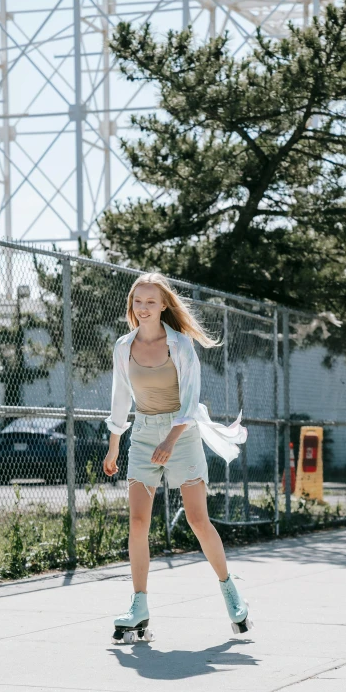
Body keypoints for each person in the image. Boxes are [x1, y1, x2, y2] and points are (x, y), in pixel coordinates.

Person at [103, 272, 251, 644]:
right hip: (143, 433)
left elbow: (190, 402)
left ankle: (230, 589)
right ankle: (139, 604)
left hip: (182, 434)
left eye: (151, 301)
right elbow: (121, 397)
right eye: (138, 301)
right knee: (138, 521)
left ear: (164, 305)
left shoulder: (181, 346)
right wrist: (114, 444)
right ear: (131, 306)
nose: (144, 307)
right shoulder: (124, 346)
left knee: (199, 520)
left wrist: (170, 439)